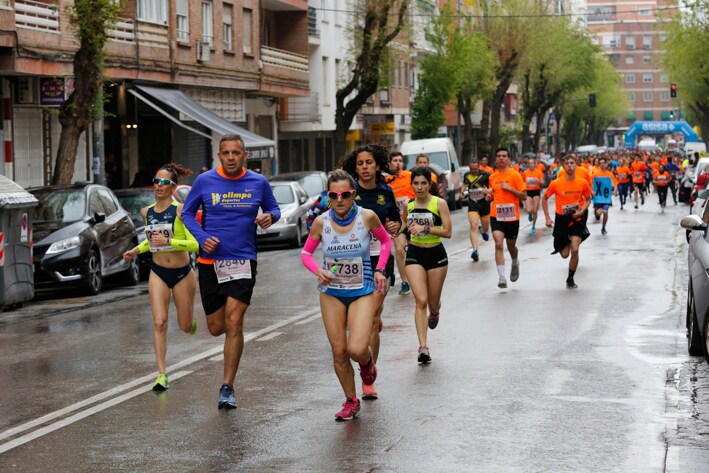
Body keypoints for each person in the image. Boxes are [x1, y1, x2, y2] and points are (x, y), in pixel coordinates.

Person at [181, 134, 281, 410]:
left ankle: (227, 387)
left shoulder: (258, 182)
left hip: (243, 261)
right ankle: (229, 341)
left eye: (236, 152)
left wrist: (269, 217)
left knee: (235, 321)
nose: (231, 157)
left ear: (244, 155)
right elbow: (187, 214)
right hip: (210, 263)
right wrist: (202, 238)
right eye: (226, 153)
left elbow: (274, 209)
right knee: (216, 328)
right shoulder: (205, 181)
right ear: (219, 156)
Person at [300, 169, 390, 421]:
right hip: (332, 292)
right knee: (339, 351)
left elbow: (385, 242)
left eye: (345, 194)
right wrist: (318, 270)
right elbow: (306, 254)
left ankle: (366, 363)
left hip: (362, 290)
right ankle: (351, 400)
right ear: (329, 196)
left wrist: (381, 269)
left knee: (357, 348)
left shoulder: (367, 217)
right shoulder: (322, 222)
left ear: (354, 194)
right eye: (334, 194)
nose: (339, 199)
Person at [123, 163, 199, 392]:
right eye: (156, 181)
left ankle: (190, 323)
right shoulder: (147, 212)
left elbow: (194, 244)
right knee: (159, 322)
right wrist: (136, 251)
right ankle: (161, 374)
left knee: (184, 326)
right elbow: (151, 240)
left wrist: (170, 242)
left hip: (183, 273)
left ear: (172, 186)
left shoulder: (180, 211)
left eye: (164, 182)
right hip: (158, 272)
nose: (159, 185)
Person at [341, 144, 401, 400]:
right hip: (352, 262)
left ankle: (368, 380)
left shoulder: (386, 192)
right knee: (358, 321)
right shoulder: (348, 192)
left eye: (369, 163)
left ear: (377, 165)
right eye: (360, 164)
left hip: (380, 261)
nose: (365, 167)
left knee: (372, 319)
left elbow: (396, 222)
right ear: (355, 168)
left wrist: (396, 225)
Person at [403, 167, 452, 363]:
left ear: (430, 184)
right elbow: (403, 227)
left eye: (424, 183)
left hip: (436, 254)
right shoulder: (408, 204)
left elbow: (448, 232)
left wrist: (427, 228)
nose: (420, 187)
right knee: (420, 300)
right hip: (414, 253)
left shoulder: (439, 203)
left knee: (432, 302)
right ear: (412, 184)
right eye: (416, 183)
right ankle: (423, 347)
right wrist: (396, 230)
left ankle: (436, 310)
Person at [542, 155, 592, 289]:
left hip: (577, 217)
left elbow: (588, 199)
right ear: (563, 166)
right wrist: (547, 217)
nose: (569, 165)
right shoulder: (556, 183)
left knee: (575, 250)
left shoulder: (582, 182)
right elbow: (544, 198)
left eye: (572, 163)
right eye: (567, 163)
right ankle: (568, 240)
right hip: (561, 219)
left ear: (576, 165)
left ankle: (570, 278)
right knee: (565, 254)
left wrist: (582, 211)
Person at [486, 147, 526, 288]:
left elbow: (524, 196)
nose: (501, 158)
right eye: (499, 156)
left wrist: (510, 189)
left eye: (504, 156)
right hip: (496, 215)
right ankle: (502, 277)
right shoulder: (492, 177)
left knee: (511, 246)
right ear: (496, 159)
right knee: (498, 244)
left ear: (508, 159)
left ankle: (515, 262)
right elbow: (493, 195)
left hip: (512, 217)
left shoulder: (515, 175)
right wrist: (488, 196)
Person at [385, 151, 415, 296]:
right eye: (395, 160)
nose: (398, 163)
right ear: (390, 163)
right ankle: (404, 282)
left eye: (400, 160)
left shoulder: (410, 177)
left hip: (413, 218)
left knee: (414, 249)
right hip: (398, 221)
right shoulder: (387, 182)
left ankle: (417, 276)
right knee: (399, 250)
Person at [463, 160, 491, 262]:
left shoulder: (486, 174)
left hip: (484, 203)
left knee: (486, 225)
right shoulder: (467, 175)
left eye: (475, 169)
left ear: (479, 167)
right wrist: (462, 191)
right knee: (473, 225)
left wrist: (488, 192)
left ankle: (483, 231)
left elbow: (492, 186)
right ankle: (475, 250)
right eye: (471, 169)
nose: (473, 171)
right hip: (473, 203)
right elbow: (464, 184)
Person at [591, 158, 616, 235]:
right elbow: (591, 184)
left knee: (605, 212)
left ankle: (603, 227)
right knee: (599, 213)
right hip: (598, 197)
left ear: (606, 164)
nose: (602, 164)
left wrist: (615, 190)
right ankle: (597, 212)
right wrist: (591, 191)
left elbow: (615, 183)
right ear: (599, 164)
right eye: (600, 163)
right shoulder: (595, 174)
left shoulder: (610, 174)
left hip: (606, 197)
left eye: (603, 163)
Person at [521, 158, 544, 235]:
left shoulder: (539, 172)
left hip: (536, 191)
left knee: (535, 210)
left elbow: (543, 182)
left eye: (532, 163)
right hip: (528, 191)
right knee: (528, 210)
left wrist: (539, 181)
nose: (531, 165)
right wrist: (524, 185)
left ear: (535, 164)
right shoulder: (525, 173)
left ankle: (533, 225)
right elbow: (522, 182)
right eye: (529, 163)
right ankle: (530, 214)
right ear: (528, 164)